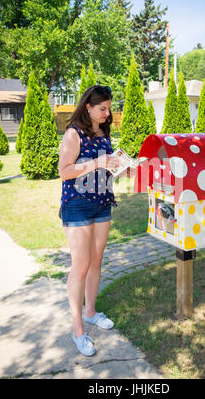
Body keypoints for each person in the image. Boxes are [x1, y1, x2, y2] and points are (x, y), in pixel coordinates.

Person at [58, 85, 122, 356]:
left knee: (96, 261)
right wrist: (98, 163)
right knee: (81, 266)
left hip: (102, 204)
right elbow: (65, 171)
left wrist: (117, 165)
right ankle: (77, 330)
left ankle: (91, 312)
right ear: (88, 107)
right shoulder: (74, 133)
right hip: (77, 206)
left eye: (109, 108)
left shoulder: (103, 133)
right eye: (102, 109)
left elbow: (104, 166)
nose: (108, 113)